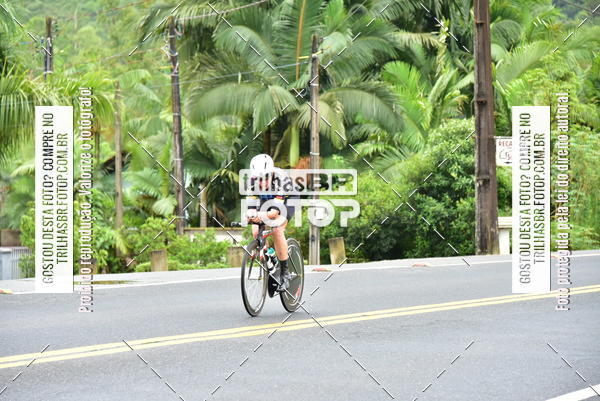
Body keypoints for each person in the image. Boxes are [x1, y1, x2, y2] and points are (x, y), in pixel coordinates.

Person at [245, 154, 294, 292]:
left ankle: (285, 273)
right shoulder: (251, 182)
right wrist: (250, 215)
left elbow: (273, 213)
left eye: (265, 177)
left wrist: (258, 215)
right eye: (258, 179)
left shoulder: (281, 179)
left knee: (277, 229)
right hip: (266, 200)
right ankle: (271, 259)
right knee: (256, 232)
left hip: (288, 199)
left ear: (272, 173)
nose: (262, 182)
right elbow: (251, 208)